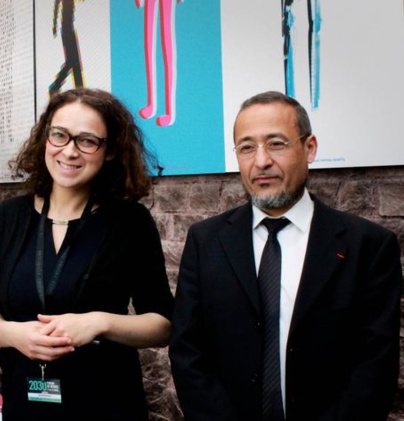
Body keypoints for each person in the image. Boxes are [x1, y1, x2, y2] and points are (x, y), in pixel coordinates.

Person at [169, 91, 402, 420]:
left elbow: (374, 366)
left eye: (276, 143)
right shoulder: (206, 240)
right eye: (247, 147)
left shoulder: (369, 246)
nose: (261, 161)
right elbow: (188, 351)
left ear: (309, 148)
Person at [0, 87, 173, 420]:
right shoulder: (7, 217)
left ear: (109, 151)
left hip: (107, 405)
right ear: (44, 138)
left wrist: (100, 323)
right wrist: (16, 334)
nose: (70, 151)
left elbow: (163, 324)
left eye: (87, 140)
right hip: (25, 401)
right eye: (60, 135)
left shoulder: (130, 222)